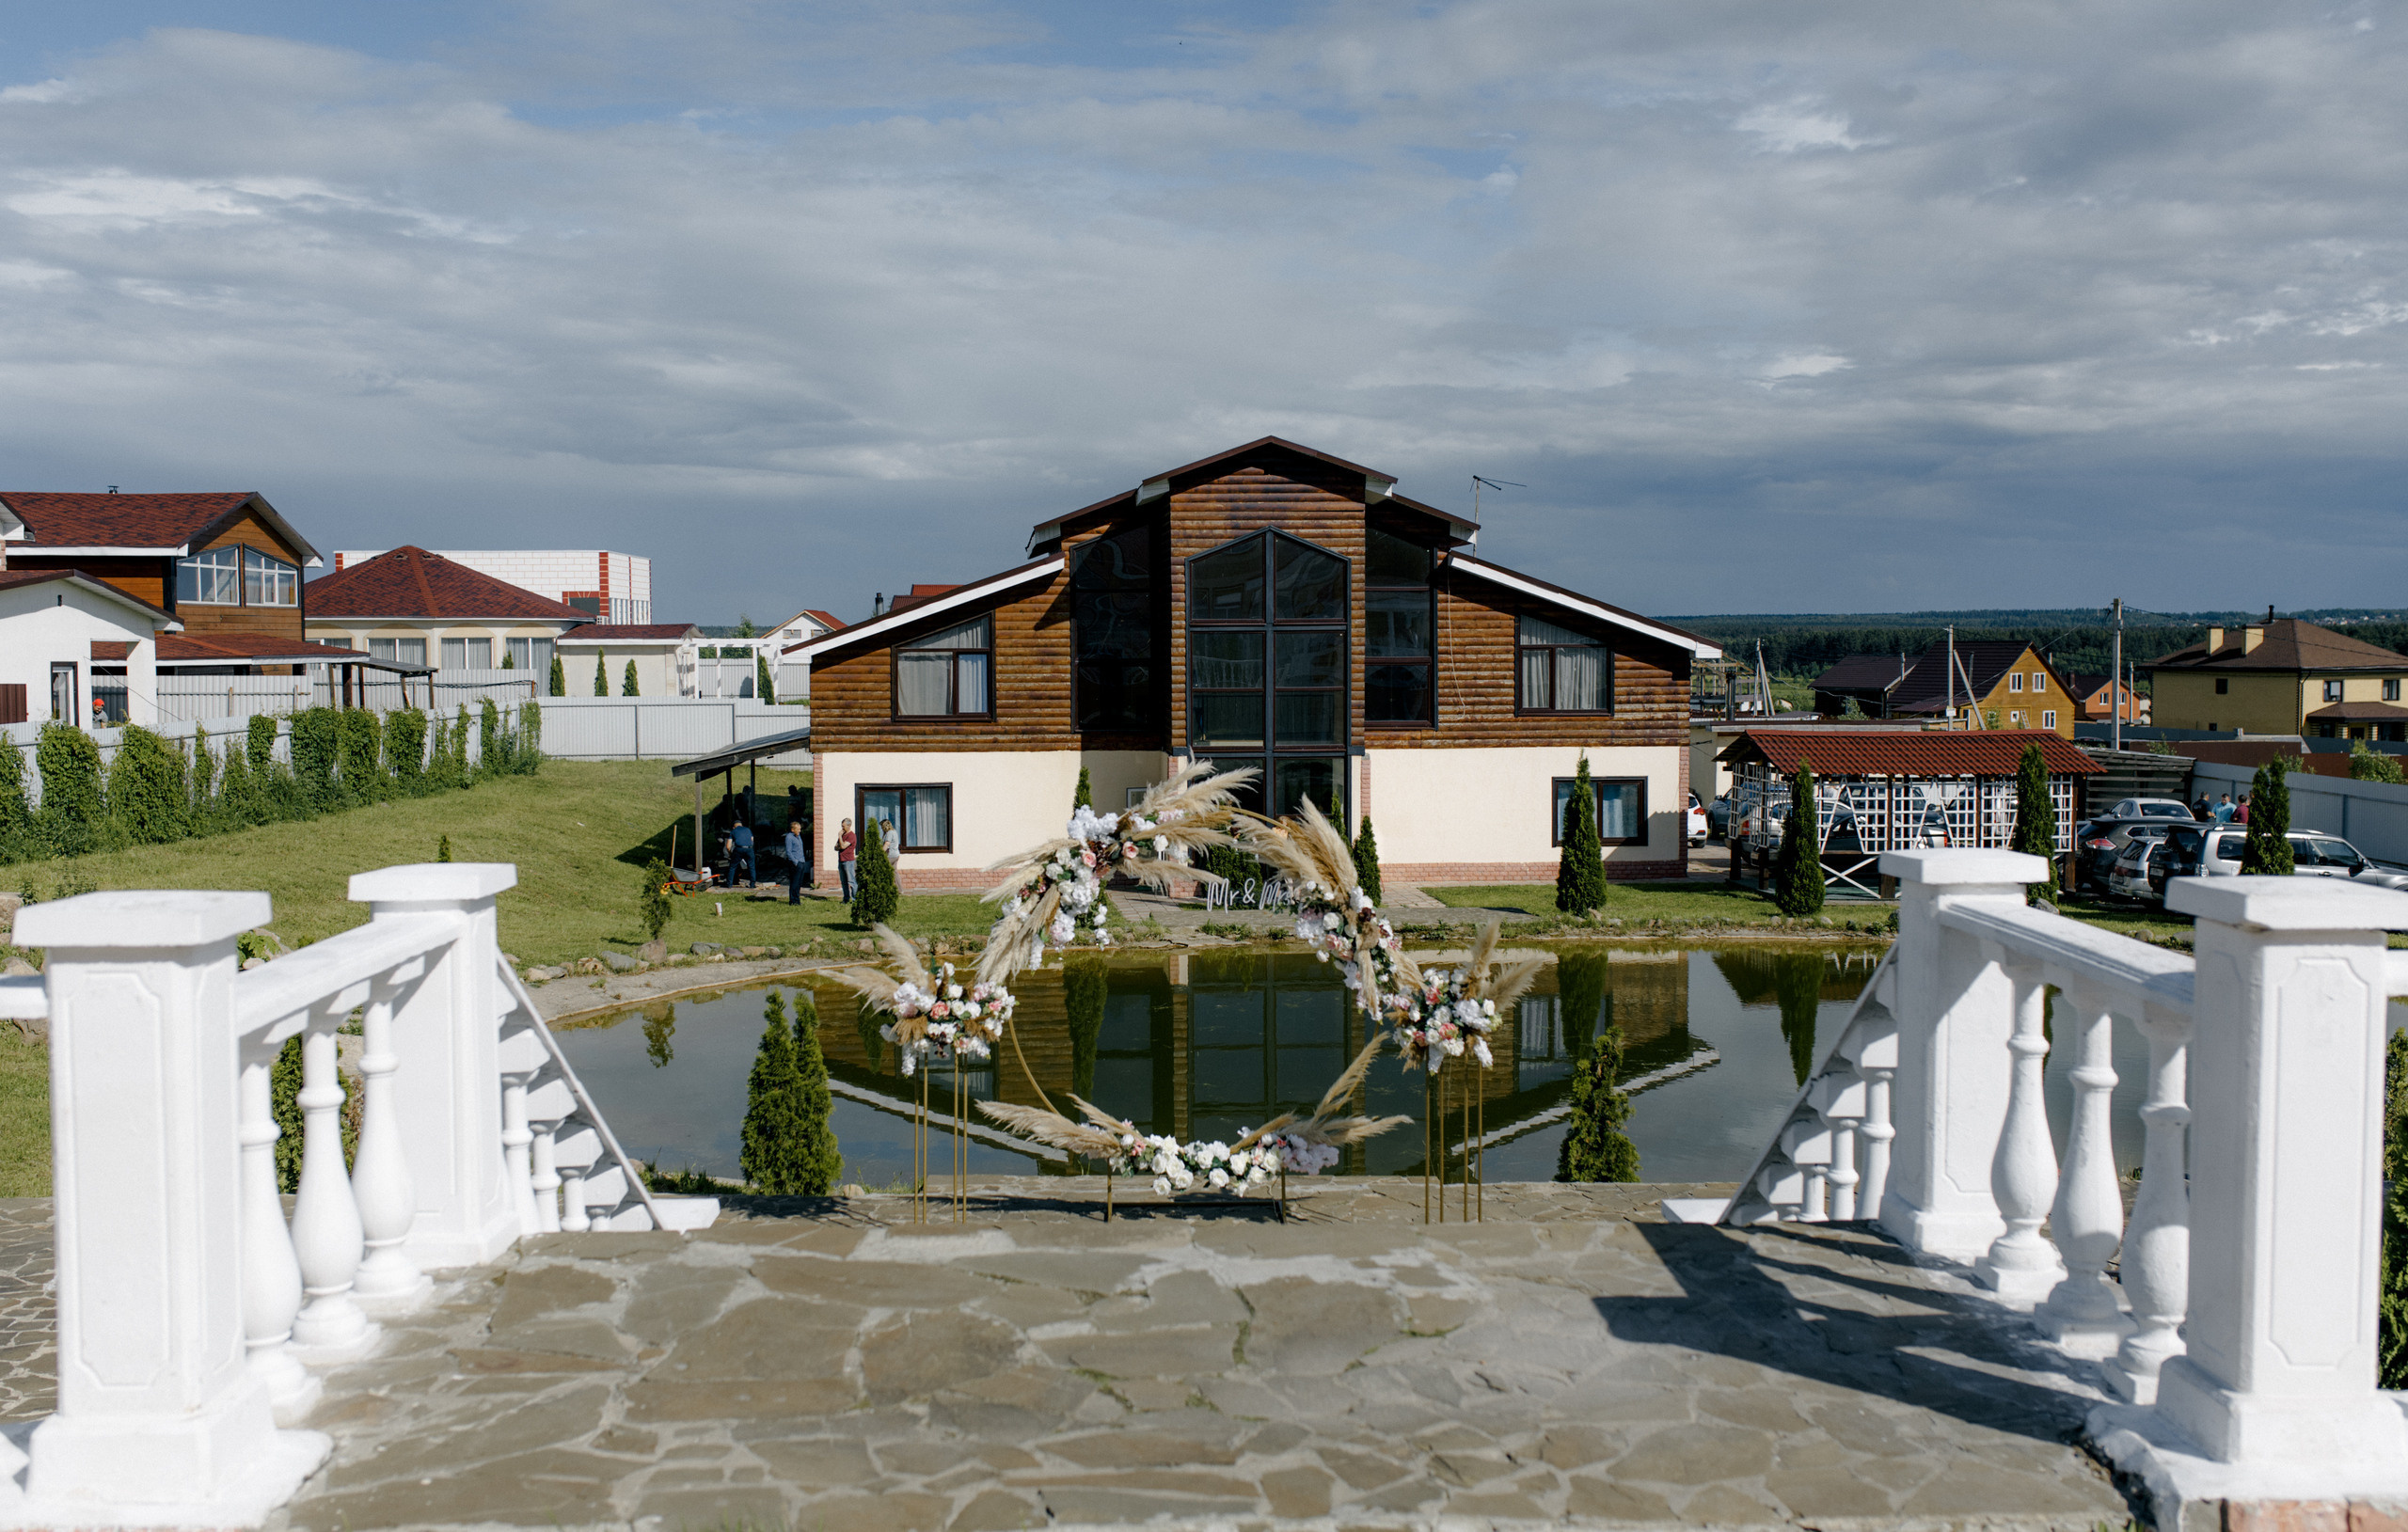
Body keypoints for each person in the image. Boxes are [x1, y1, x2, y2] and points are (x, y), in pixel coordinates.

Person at [784, 820, 809, 905]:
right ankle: (793, 900)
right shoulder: (789, 837)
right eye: (798, 829)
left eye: (800, 829)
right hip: (795, 863)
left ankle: (797, 900)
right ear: (792, 830)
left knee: (799, 882)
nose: (799, 831)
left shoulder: (798, 836)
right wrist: (795, 862)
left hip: (801, 861)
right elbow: (789, 852)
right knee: (794, 882)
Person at [836, 816, 860, 901]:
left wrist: (839, 837)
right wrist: (840, 840)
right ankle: (846, 899)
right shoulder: (843, 835)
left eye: (843, 826)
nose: (842, 828)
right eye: (842, 826)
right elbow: (836, 847)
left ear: (849, 826)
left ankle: (855, 899)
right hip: (841, 860)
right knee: (844, 882)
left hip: (848, 861)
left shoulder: (851, 836)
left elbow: (842, 846)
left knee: (851, 881)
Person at [729, 817, 755, 888]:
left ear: (733, 827)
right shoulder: (748, 829)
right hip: (749, 849)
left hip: (739, 849)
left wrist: (730, 854)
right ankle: (752, 884)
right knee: (751, 867)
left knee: (733, 866)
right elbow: (752, 840)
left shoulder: (733, 831)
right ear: (741, 825)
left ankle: (729, 884)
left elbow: (728, 846)